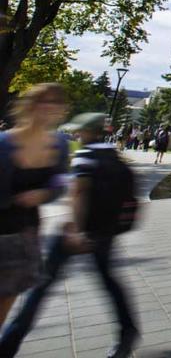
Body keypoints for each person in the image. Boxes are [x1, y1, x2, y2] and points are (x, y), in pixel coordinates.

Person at [1, 112, 140, 358]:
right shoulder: (117, 158)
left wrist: (75, 229)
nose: (77, 134)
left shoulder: (85, 155)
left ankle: (9, 344)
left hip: (75, 232)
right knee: (109, 282)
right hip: (104, 232)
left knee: (41, 286)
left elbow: (78, 193)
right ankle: (127, 332)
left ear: (88, 132)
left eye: (80, 130)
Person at [0, 84, 70, 336]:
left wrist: (45, 193)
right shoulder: (4, 143)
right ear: (29, 105)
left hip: (25, 233)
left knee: (7, 299)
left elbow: (61, 181)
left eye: (55, 103)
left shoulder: (59, 145)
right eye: (43, 101)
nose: (49, 108)